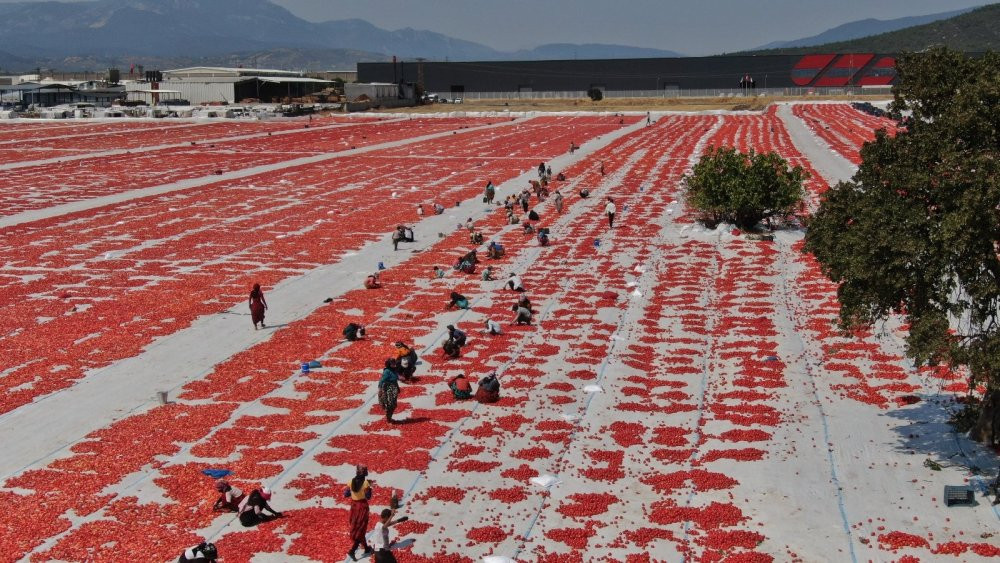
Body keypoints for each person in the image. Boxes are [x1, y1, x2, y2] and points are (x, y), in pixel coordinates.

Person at [343, 465, 373, 561]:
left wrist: (352, 491)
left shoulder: (351, 481)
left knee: (358, 527)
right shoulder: (365, 483)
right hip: (362, 507)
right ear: (364, 474)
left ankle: (367, 548)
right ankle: (352, 550)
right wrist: (370, 487)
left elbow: (346, 494)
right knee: (361, 528)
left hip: (354, 507)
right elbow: (368, 496)